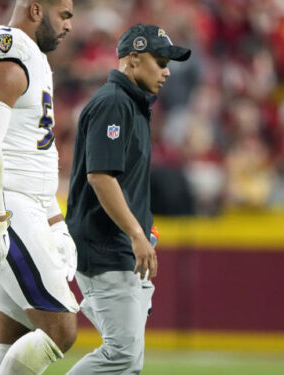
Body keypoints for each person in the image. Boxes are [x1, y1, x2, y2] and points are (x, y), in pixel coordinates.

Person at [65, 24, 191, 374]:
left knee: (127, 361)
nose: (167, 71)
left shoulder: (131, 104)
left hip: (119, 246)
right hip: (105, 247)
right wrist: (136, 234)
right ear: (133, 59)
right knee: (121, 354)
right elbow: (100, 177)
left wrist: (141, 232)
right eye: (161, 60)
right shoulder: (114, 103)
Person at [0, 1, 77, 374]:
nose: (69, 26)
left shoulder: (35, 58)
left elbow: (32, 155)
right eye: (65, 15)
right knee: (59, 330)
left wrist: (56, 223)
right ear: (37, 9)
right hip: (6, 208)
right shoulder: (9, 50)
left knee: (7, 338)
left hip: (19, 204)